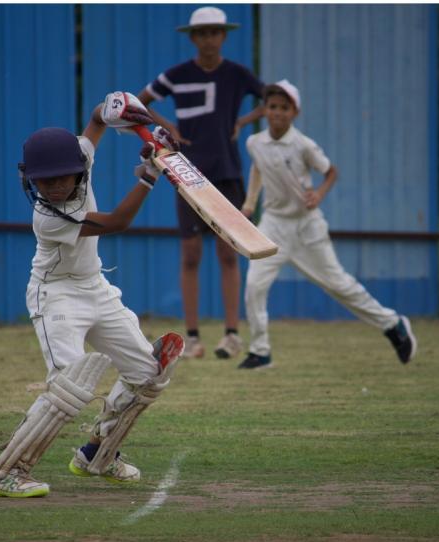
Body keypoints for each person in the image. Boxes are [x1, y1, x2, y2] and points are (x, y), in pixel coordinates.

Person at [0, 92, 184, 498]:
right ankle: (5, 473)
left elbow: (95, 123)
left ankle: (98, 454)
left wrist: (111, 109)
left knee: (149, 374)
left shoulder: (81, 157)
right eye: (44, 180)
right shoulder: (48, 217)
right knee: (70, 385)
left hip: (95, 286)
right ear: (30, 180)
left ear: (78, 169)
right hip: (55, 295)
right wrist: (148, 174)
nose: (54, 186)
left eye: (62, 178)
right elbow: (116, 222)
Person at [238, 80, 417, 370]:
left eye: (284, 108)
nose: (277, 113)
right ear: (265, 110)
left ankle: (393, 324)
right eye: (272, 107)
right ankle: (260, 352)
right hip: (272, 226)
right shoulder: (254, 142)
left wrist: (318, 194)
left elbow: (331, 171)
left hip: (307, 227)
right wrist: (249, 204)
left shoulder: (303, 144)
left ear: (294, 112)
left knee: (339, 285)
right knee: (254, 287)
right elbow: (258, 168)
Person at [137, 6, 264, 360]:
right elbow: (139, 103)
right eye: (202, 33)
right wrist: (169, 129)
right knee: (191, 252)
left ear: (224, 36)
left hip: (228, 172)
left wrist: (243, 121)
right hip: (187, 173)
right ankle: (191, 339)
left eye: (215, 32)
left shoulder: (238, 74)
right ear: (192, 38)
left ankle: (232, 334)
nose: (209, 39)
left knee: (228, 252)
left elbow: (271, 99)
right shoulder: (176, 75)